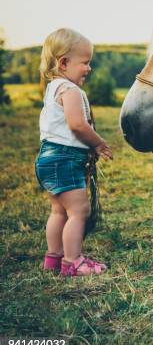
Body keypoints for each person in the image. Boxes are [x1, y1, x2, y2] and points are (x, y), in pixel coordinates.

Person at [35, 28, 113, 277]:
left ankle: (53, 259)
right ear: (64, 63)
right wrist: (98, 143)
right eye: (85, 62)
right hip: (65, 159)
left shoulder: (52, 89)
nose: (89, 68)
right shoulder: (70, 91)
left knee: (59, 211)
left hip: (48, 157)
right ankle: (73, 261)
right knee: (78, 211)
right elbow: (77, 125)